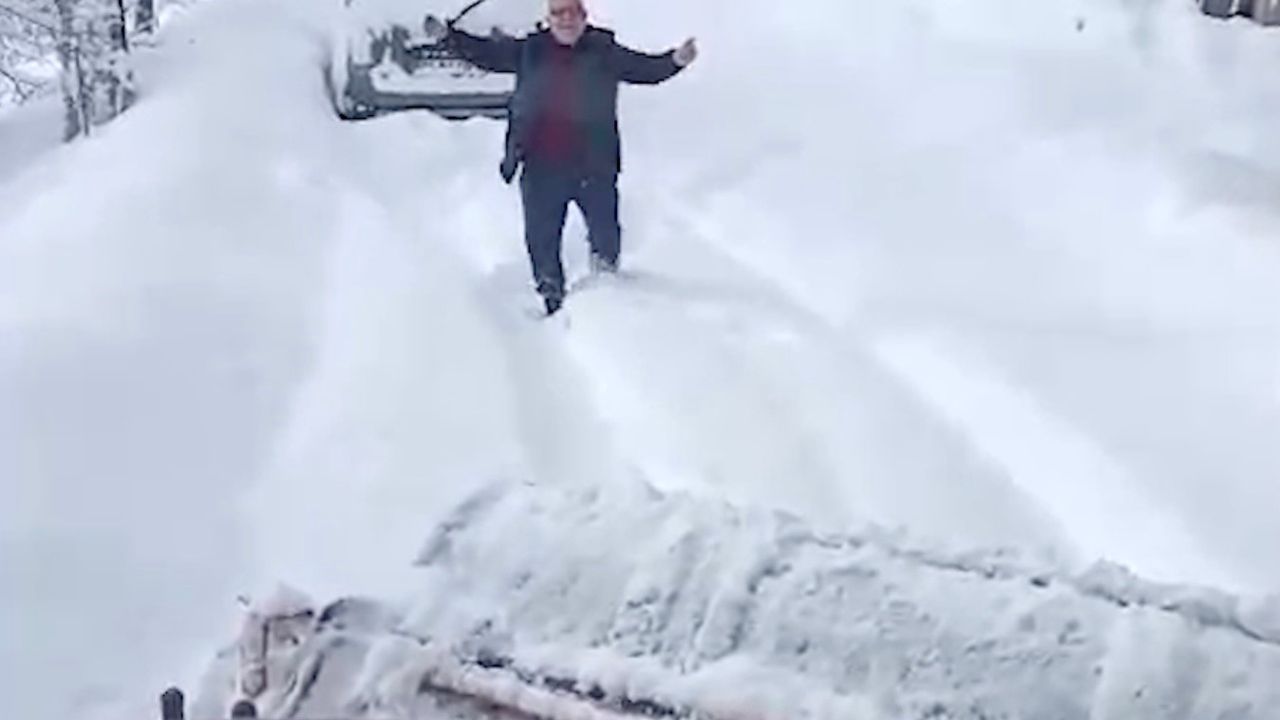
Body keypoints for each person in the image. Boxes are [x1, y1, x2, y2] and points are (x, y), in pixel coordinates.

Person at [425, 0, 698, 315]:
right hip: (541, 166)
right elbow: (486, 54)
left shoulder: (604, 50)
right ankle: (552, 299)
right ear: (549, 19)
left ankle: (607, 293)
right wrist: (448, 37)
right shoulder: (530, 50)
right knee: (542, 240)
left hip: (593, 166)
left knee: (605, 233)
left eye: (572, 13)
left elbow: (644, 69)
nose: (566, 20)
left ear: (584, 17)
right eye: (558, 13)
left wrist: (676, 60)